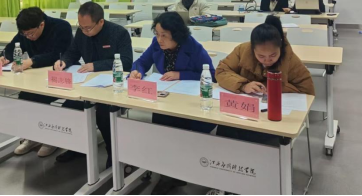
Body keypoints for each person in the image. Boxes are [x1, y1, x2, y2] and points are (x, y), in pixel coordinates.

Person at [207, 15, 315, 196]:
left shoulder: (290, 59)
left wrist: (275, 86)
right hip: (242, 109)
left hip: (272, 117)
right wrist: (243, 85)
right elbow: (222, 70)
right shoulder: (242, 50)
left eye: (273, 55)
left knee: (256, 137)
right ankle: (226, 181)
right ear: (253, 49)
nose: (267, 60)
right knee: (226, 129)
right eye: (261, 56)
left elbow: (307, 90)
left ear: (280, 48)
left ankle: (255, 181)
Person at [130, 12, 216, 195]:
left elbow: (211, 75)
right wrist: (137, 72)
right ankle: (167, 170)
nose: (159, 39)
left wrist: (181, 75)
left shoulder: (193, 48)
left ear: (176, 35)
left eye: (164, 35)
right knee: (162, 130)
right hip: (166, 98)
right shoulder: (156, 44)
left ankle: (172, 174)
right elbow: (141, 62)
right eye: (157, 34)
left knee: (174, 132)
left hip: (190, 104)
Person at [54, 2, 133, 168]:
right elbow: (72, 52)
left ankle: (114, 153)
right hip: (88, 84)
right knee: (70, 107)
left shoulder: (119, 33)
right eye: (81, 27)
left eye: (88, 28)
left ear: (101, 22)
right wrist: (64, 61)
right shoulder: (82, 33)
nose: (84, 31)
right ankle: (77, 148)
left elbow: (126, 62)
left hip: (113, 86)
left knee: (104, 113)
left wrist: (96, 65)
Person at [0, 7, 73, 158]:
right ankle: (33, 136)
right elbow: (12, 46)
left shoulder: (61, 27)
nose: (28, 37)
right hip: (37, 75)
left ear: (41, 25)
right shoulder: (26, 31)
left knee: (39, 97)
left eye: (31, 33)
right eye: (24, 34)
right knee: (25, 97)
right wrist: (3, 57)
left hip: (61, 74)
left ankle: (50, 138)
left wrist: (31, 61)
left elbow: (58, 54)